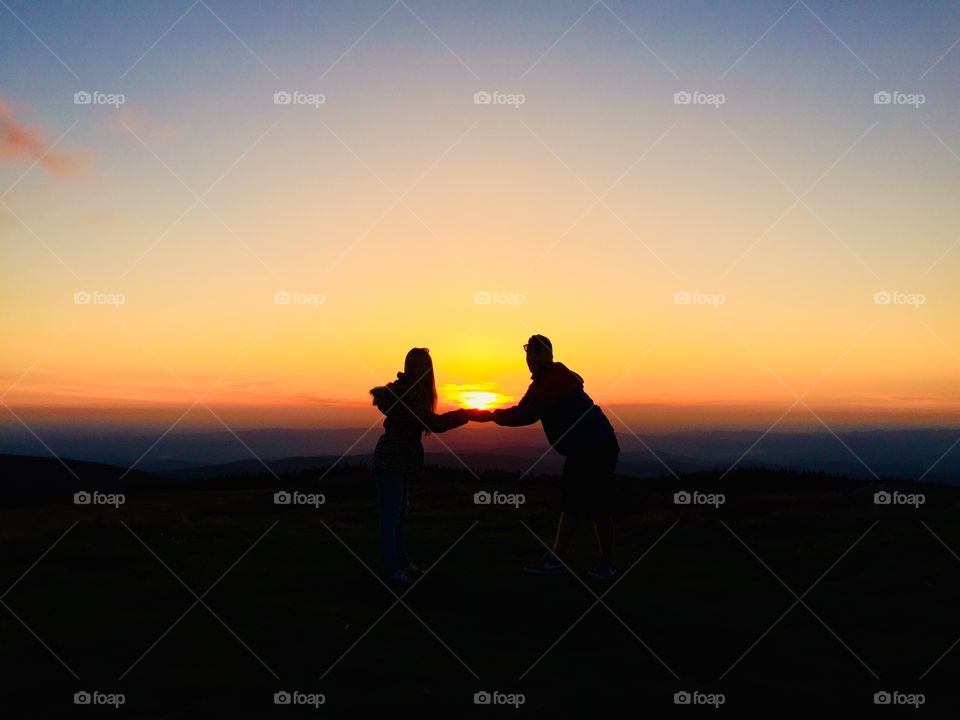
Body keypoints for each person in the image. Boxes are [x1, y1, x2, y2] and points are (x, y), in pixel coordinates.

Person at [472, 334, 621, 580]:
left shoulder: (554, 379)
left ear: (550, 355)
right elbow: (523, 409)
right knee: (573, 503)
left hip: (596, 447)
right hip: (585, 448)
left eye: (538, 353)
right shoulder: (544, 381)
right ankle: (561, 560)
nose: (532, 358)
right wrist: (491, 415)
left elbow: (526, 415)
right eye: (529, 354)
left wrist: (489, 416)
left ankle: (603, 564)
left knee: (597, 507)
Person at [369, 347, 481, 584]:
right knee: (391, 519)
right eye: (418, 366)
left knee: (398, 517)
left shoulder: (410, 393)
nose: (422, 370)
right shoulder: (410, 394)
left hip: (400, 459)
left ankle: (402, 565)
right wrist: (465, 415)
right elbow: (432, 423)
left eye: (425, 366)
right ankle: (392, 571)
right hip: (393, 459)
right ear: (410, 367)